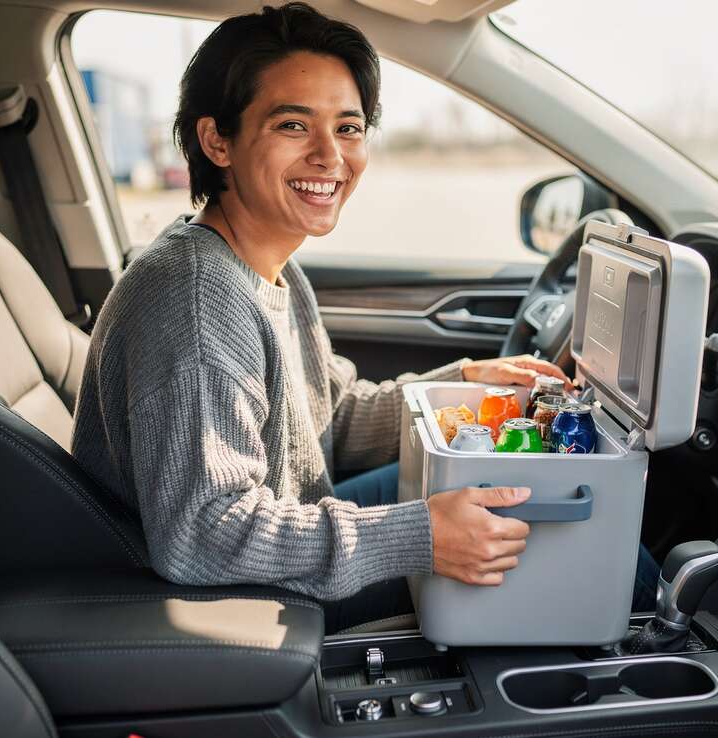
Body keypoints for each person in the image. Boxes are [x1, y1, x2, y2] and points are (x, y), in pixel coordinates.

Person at [72, 2, 659, 632]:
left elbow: (333, 415)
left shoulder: (267, 262)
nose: (331, 155)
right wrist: (419, 536)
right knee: (610, 558)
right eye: (294, 125)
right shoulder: (195, 300)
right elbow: (205, 534)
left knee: (555, 518)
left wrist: (461, 384)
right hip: (239, 596)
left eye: (349, 127)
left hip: (285, 530)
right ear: (217, 140)